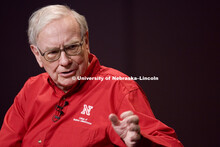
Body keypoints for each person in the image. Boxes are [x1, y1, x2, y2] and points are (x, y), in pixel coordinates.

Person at [0, 4, 183, 147]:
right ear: (37, 55)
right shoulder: (30, 90)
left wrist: (140, 143)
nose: (64, 61)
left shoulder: (119, 89)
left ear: (86, 42)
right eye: (53, 53)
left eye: (72, 47)